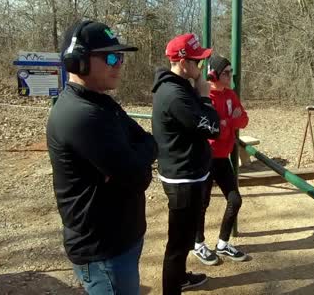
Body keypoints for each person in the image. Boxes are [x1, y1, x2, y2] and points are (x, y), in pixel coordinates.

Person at [47, 20, 157, 294]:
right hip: (104, 254)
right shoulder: (81, 114)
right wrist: (136, 164)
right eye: (110, 56)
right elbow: (137, 177)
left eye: (120, 56)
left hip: (121, 242)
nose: (119, 63)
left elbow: (148, 140)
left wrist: (131, 160)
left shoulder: (101, 102)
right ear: (78, 61)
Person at [151, 33, 221, 294]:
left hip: (189, 172)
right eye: (197, 61)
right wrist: (205, 97)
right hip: (183, 177)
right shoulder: (174, 94)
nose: (200, 66)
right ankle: (173, 285)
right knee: (178, 243)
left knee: (184, 237)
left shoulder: (180, 86)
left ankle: (179, 276)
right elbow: (212, 128)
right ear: (183, 62)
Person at [192, 54, 249, 266]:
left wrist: (228, 122)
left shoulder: (230, 94)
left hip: (223, 158)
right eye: (226, 73)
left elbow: (243, 120)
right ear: (214, 74)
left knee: (235, 200)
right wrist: (226, 124)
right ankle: (198, 245)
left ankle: (223, 244)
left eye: (231, 72)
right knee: (202, 203)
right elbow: (213, 132)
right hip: (206, 158)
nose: (230, 76)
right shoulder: (205, 96)